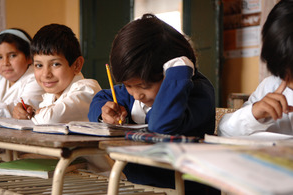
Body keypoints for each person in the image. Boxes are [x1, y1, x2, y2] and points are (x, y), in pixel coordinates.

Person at [88, 14, 216, 194]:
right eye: (128, 85)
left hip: (187, 189)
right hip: (139, 188)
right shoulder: (132, 92)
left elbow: (161, 125)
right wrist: (104, 113)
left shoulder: (198, 92)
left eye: (144, 86)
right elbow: (100, 97)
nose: (136, 94)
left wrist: (179, 70)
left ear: (169, 71)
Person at [218, 0, 293, 137]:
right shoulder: (270, 86)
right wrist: (254, 114)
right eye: (283, 72)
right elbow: (225, 131)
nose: (288, 82)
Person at [13, 24, 101, 124]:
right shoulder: (50, 97)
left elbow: (49, 119)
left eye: (55, 64)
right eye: (39, 65)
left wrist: (34, 115)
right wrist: (27, 113)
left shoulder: (87, 90)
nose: (46, 74)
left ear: (77, 65)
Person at [0, 28, 44, 118]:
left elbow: (16, 110)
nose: (5, 63)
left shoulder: (37, 79)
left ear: (29, 57)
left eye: (12, 55)